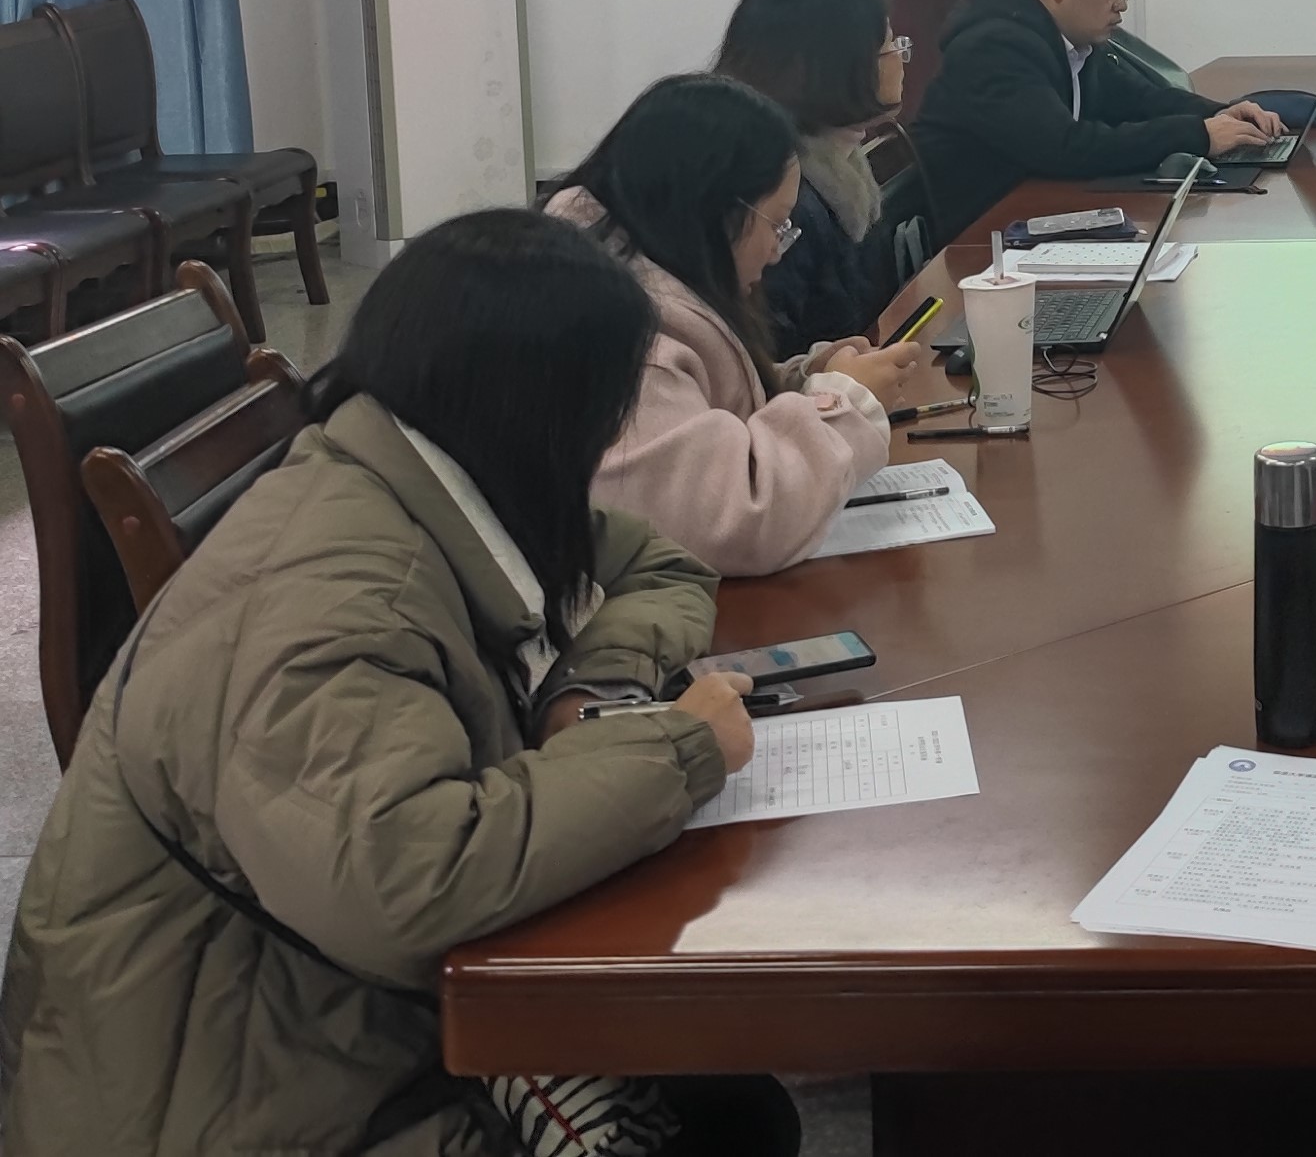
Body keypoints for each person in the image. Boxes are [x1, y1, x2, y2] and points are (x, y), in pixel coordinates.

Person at [0, 207, 796, 1156]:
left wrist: (591, 695)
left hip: (324, 1015)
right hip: (235, 1096)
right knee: (725, 1124)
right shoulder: (335, 598)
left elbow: (657, 565)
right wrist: (678, 747)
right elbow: (407, 881)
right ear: (547, 408)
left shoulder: (410, 469)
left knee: (732, 1104)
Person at [547, 74, 919, 576]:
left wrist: (804, 379)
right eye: (776, 224)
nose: (777, 251)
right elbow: (735, 520)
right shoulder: (624, 335)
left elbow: (699, 408)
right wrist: (844, 402)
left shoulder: (637, 266)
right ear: (714, 212)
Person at [907, 0, 1285, 238]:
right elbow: (1064, 147)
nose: (1121, 4)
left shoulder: (1068, 40)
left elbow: (1141, 100)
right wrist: (1198, 135)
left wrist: (1219, 114)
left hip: (1041, 220)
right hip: (981, 247)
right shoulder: (993, 47)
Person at [717, 0, 905, 353]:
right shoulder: (785, 194)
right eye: (889, 44)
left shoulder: (841, 160)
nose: (900, 57)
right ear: (841, 67)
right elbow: (775, 350)